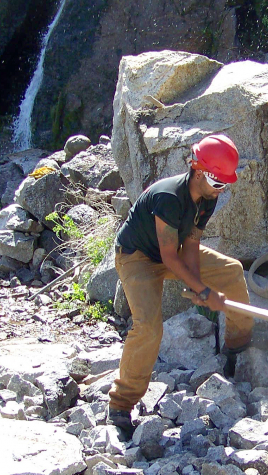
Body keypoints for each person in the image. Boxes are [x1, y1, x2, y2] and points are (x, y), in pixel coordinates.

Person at [107, 133, 255, 438]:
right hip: (137, 256)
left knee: (231, 271)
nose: (221, 189)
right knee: (148, 327)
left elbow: (190, 244)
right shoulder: (170, 197)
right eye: (218, 183)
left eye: (225, 184)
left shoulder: (207, 198)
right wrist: (203, 292)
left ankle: (237, 348)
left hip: (171, 251)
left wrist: (199, 286)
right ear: (199, 171)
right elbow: (168, 257)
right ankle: (121, 405)